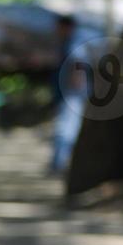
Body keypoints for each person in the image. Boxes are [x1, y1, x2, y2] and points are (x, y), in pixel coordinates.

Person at [49, 13, 89, 174]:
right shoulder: (69, 41)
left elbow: (77, 65)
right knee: (67, 128)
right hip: (70, 92)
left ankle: (59, 164)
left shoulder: (76, 41)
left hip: (73, 93)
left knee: (66, 129)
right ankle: (60, 163)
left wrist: (75, 87)